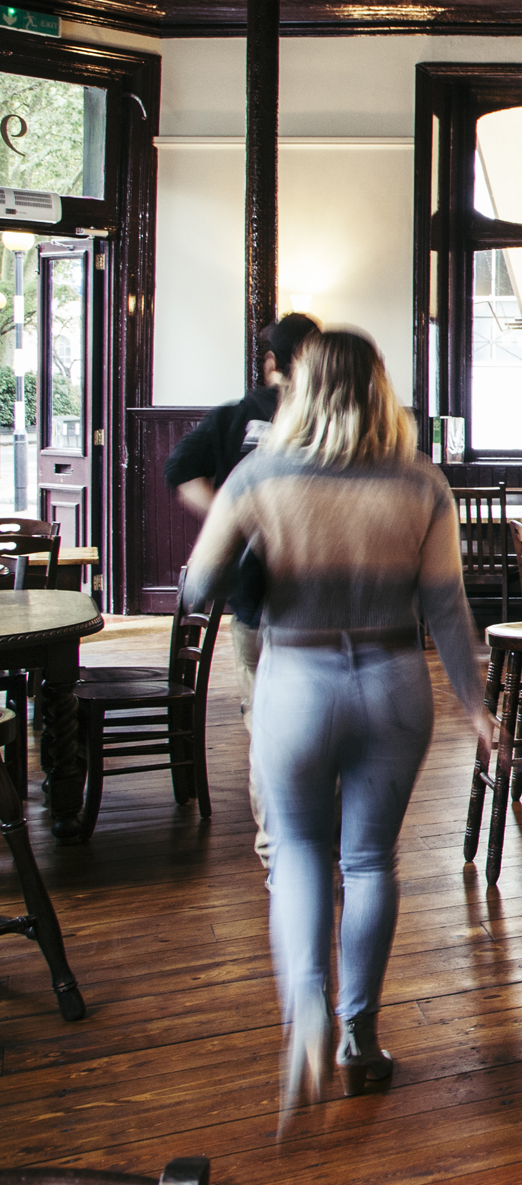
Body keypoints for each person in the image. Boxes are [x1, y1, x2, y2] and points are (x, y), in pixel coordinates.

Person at [183, 330, 492, 1117]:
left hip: (297, 680)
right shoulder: (422, 483)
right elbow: (447, 607)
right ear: (380, 389)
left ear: (299, 389)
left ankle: (309, 1014)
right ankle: (360, 1036)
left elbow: (196, 589)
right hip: (393, 679)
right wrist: (476, 705)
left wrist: (254, 553)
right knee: (368, 863)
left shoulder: (259, 474)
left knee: (297, 854)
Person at [163, 311, 321, 870]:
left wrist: (233, 518)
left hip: (254, 597)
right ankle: (318, 838)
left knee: (266, 722)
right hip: (324, 601)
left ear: (271, 360)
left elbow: (179, 470)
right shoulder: (331, 423)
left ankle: (275, 847)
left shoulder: (235, 417)